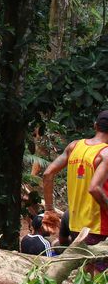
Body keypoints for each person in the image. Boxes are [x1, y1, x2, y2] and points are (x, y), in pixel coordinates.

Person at [43, 112, 108, 262]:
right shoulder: (105, 153)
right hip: (99, 225)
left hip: (76, 224)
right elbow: (95, 188)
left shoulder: (74, 146)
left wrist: (49, 209)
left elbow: (47, 174)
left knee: (86, 271)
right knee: (99, 275)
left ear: (95, 126)